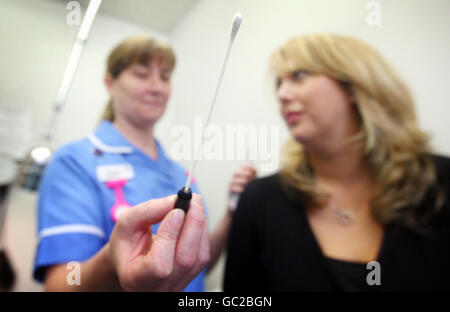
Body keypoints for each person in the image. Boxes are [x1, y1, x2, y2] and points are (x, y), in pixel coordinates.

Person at [224, 33, 450, 291]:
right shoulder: (261, 201)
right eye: (278, 83)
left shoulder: (439, 184)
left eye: (299, 75)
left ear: (353, 86)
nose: (282, 94)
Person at [33, 35, 256, 291]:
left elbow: (195, 269)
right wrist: (113, 261)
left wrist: (232, 213)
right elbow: (63, 283)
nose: (157, 87)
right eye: (141, 74)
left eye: (164, 76)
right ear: (110, 82)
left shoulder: (181, 174)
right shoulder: (75, 162)